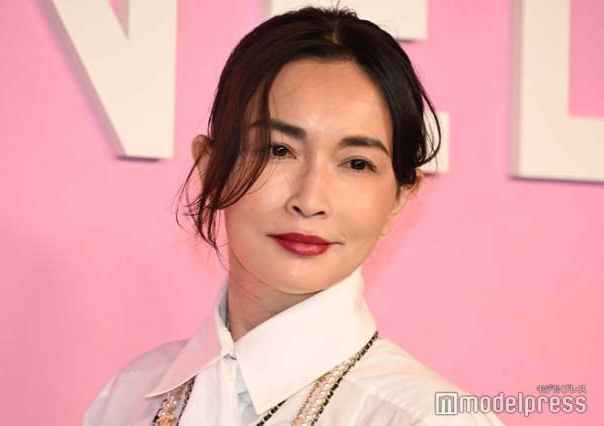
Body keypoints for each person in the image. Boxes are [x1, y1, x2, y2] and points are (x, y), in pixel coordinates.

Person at [83, 6, 503, 426]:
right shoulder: (129, 397)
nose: (310, 200)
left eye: (356, 163)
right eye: (278, 150)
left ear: (399, 198)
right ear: (211, 169)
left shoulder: (423, 418)